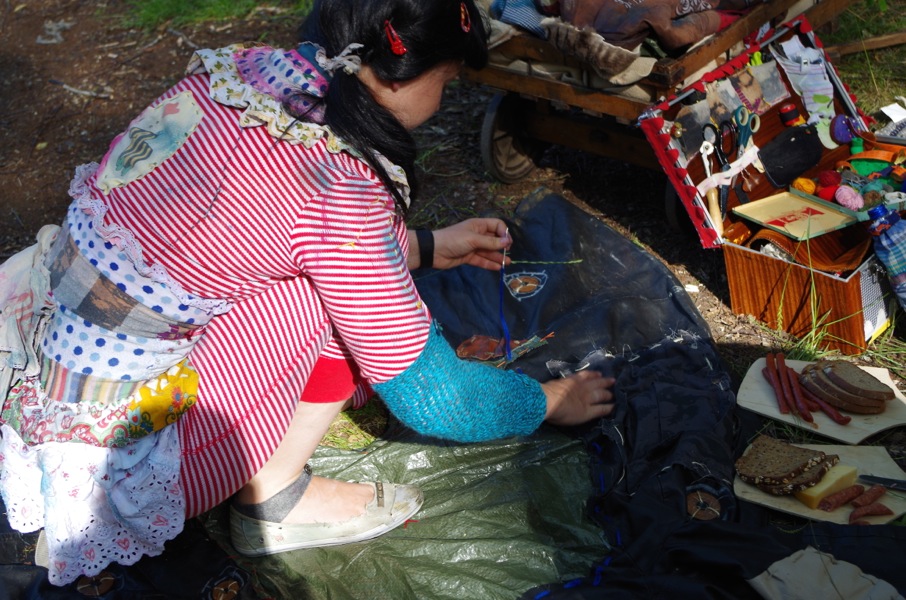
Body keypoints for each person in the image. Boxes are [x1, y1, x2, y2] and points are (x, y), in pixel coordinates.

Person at [0, 0, 615, 586]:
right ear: (399, 73)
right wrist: (547, 400)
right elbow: (438, 400)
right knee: (338, 308)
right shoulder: (335, 184)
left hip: (51, 367)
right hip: (122, 462)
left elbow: (258, 233)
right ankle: (276, 498)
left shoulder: (241, 79)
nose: (444, 96)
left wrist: (427, 246)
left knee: (344, 287)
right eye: (447, 81)